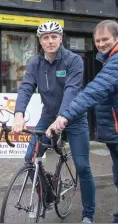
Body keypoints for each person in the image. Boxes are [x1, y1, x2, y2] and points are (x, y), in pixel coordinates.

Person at [47, 20, 118, 223]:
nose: (101, 44)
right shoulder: (112, 59)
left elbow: (97, 89)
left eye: (105, 39)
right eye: (97, 40)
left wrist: (65, 115)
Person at [13, 21, 96, 223]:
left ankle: (88, 214)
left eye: (53, 36)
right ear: (40, 41)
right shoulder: (35, 63)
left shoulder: (73, 60)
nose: (50, 41)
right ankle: (47, 194)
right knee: (30, 159)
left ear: (61, 38)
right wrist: (18, 114)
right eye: (45, 37)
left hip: (74, 118)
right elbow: (26, 88)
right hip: (48, 117)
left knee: (83, 166)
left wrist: (63, 116)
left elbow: (72, 89)